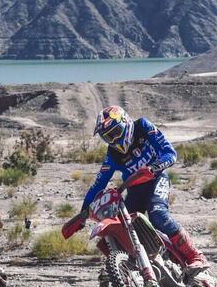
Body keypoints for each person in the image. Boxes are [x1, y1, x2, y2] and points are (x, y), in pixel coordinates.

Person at [81, 106, 209, 276]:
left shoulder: (142, 127)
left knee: (157, 213)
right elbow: (98, 184)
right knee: (121, 228)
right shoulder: (113, 154)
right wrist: (83, 213)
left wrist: (154, 167)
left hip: (156, 179)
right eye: (108, 137)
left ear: (126, 123)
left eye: (116, 132)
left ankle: (195, 256)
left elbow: (170, 153)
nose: (114, 140)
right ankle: (137, 272)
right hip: (134, 189)